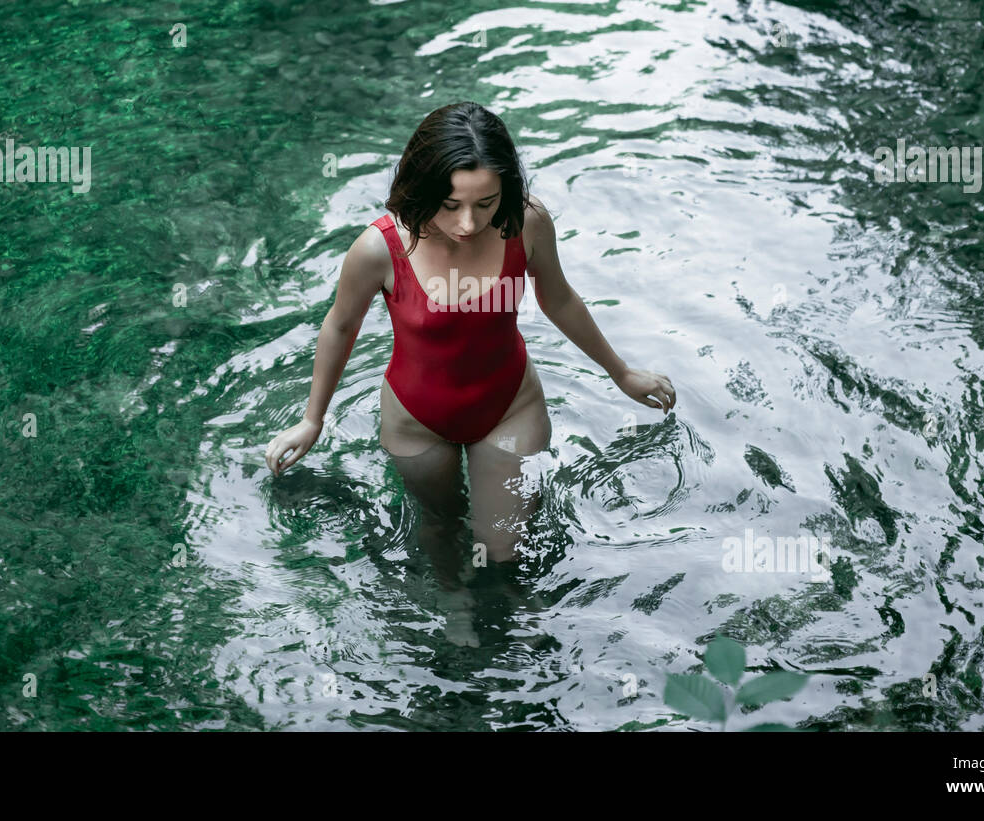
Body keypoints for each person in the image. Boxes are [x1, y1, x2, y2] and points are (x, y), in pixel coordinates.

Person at [265, 101, 676, 584]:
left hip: (509, 406)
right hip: (416, 422)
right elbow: (339, 326)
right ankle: (455, 610)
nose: (468, 223)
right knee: (439, 527)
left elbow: (559, 300)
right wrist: (313, 419)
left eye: (486, 203)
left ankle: (514, 610)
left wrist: (620, 372)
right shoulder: (379, 249)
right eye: (450, 204)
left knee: (504, 550)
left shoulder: (527, 222)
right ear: (422, 189)